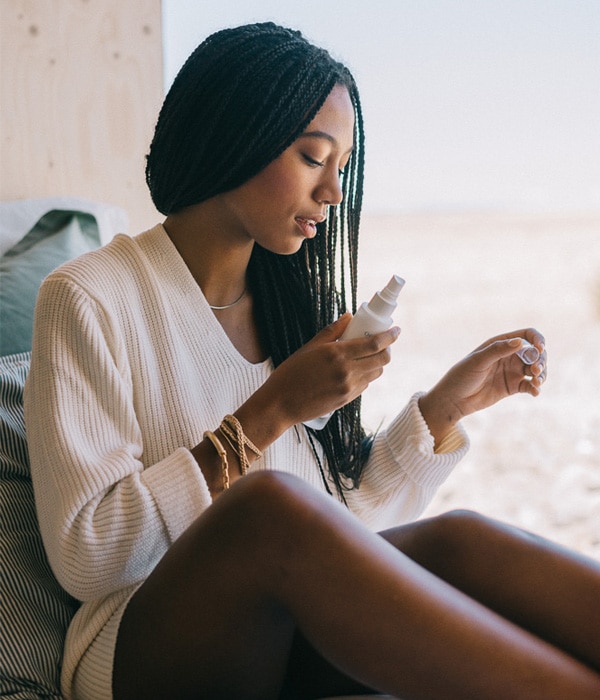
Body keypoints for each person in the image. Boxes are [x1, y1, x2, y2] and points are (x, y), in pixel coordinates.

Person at [24, 22, 599, 700]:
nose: (332, 190)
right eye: (311, 157)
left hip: (281, 620)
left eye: (341, 166)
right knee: (268, 508)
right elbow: (88, 557)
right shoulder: (88, 297)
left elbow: (338, 545)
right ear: (236, 133)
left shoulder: (284, 307)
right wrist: (266, 417)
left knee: (458, 541)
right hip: (141, 652)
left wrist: (446, 407)